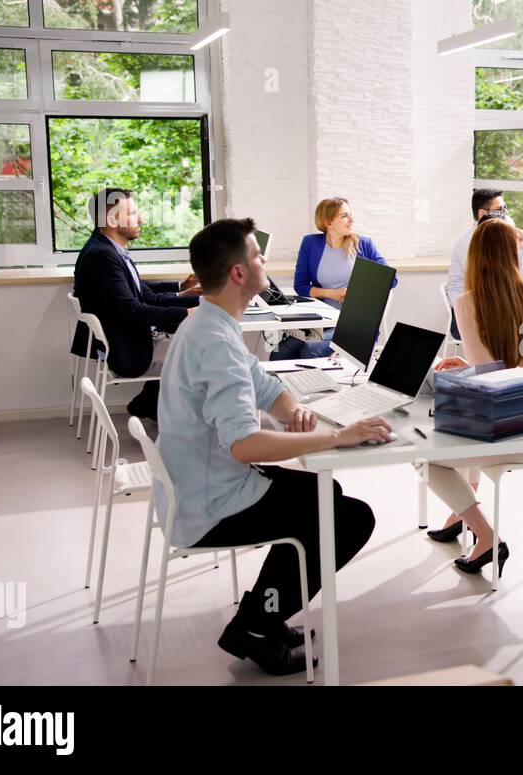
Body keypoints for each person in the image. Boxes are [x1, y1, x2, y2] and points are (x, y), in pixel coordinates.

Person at [156, 217, 390, 676]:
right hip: (209, 503)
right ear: (239, 274)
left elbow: (261, 383)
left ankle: (261, 615)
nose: (266, 262)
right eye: (258, 256)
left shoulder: (211, 322)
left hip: (199, 484)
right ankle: (256, 629)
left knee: (328, 498)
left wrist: (289, 410)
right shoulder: (215, 341)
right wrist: (335, 436)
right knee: (349, 517)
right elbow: (245, 445)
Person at [424, 218, 523, 576]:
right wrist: (471, 364)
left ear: (475, 257)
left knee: (430, 457)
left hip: (522, 423)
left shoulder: (467, 302)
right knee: (466, 427)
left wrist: (467, 367)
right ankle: (458, 516)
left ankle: (485, 535)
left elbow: (491, 379)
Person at [70, 188, 201, 421]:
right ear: (112, 220)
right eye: (132, 213)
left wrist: (190, 295)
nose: (140, 218)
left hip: (132, 339)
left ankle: (150, 404)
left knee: (192, 338)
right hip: (130, 351)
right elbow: (132, 310)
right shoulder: (102, 256)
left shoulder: (107, 248)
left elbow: (144, 294)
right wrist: (190, 313)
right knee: (206, 353)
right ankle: (185, 427)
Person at [275, 197, 394, 360]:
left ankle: (316, 386)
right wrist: (331, 294)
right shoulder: (311, 243)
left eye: (350, 215)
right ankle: (286, 386)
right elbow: (300, 285)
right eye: (345, 216)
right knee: (280, 352)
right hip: (322, 319)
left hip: (355, 324)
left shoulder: (364, 244)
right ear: (328, 222)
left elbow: (391, 280)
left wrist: (355, 293)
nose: (352, 220)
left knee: (310, 349)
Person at [446, 188, 523, 338]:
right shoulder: (470, 243)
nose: (505, 214)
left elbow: (512, 275)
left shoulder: (498, 234)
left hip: (489, 306)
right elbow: (497, 282)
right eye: (500, 210)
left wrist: (520, 249)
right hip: (467, 315)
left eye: (505, 208)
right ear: (483, 214)